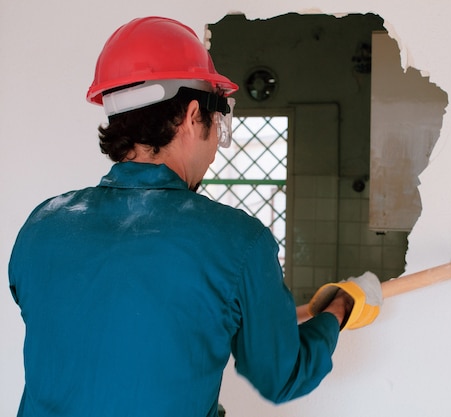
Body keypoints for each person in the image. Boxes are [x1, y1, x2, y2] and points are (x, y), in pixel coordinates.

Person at [8, 16, 382, 417]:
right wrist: (342, 305)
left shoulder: (41, 225)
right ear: (191, 116)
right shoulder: (238, 241)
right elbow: (281, 374)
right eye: (216, 119)